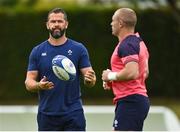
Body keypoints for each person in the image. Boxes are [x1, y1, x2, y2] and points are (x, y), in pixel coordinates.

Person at [25, 7, 96, 131]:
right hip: (47, 115)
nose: (56, 24)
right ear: (47, 25)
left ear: (66, 24)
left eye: (60, 21)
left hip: (73, 114)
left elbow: (90, 78)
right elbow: (28, 82)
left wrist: (89, 79)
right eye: (53, 22)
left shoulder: (79, 49)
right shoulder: (37, 51)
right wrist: (39, 85)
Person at [102, 8, 150, 131]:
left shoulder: (127, 45)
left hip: (131, 101)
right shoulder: (139, 42)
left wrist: (110, 76)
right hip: (134, 100)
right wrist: (114, 81)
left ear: (121, 23)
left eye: (113, 20)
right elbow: (144, 72)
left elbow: (132, 72)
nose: (111, 23)